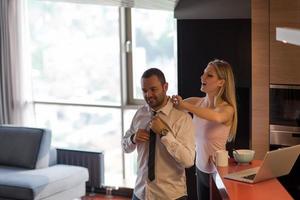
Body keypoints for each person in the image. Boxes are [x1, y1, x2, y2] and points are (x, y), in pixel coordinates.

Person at [122, 68, 195, 200]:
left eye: (153, 89)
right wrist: (133, 139)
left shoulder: (182, 118)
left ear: (165, 87)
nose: (148, 95)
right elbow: (124, 147)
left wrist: (164, 133)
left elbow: (188, 160)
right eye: (144, 90)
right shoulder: (140, 114)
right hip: (140, 193)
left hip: (170, 196)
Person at [172, 59, 238, 200]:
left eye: (209, 75)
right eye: (203, 73)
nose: (202, 77)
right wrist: (172, 100)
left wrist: (185, 105)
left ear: (221, 82)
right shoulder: (197, 102)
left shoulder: (227, 109)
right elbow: (175, 106)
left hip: (218, 172)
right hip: (200, 169)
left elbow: (216, 117)